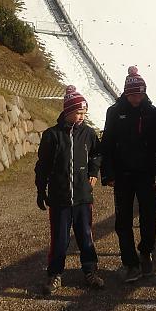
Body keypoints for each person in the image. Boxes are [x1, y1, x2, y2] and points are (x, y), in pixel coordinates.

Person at [35, 85, 104, 295]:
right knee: (60, 239)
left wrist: (94, 171)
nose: (82, 116)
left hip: (83, 197)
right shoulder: (52, 136)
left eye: (84, 113)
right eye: (78, 112)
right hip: (60, 198)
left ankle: (90, 271)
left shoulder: (89, 134)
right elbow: (43, 165)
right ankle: (55, 275)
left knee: (85, 236)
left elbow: (96, 154)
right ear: (67, 111)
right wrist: (41, 189)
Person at [101, 66, 156, 282]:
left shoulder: (152, 112)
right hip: (123, 174)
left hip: (146, 173)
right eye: (133, 93)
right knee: (123, 220)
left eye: (140, 93)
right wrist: (107, 173)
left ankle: (146, 251)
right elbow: (106, 143)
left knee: (150, 213)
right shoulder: (115, 112)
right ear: (126, 93)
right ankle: (130, 263)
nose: (137, 97)